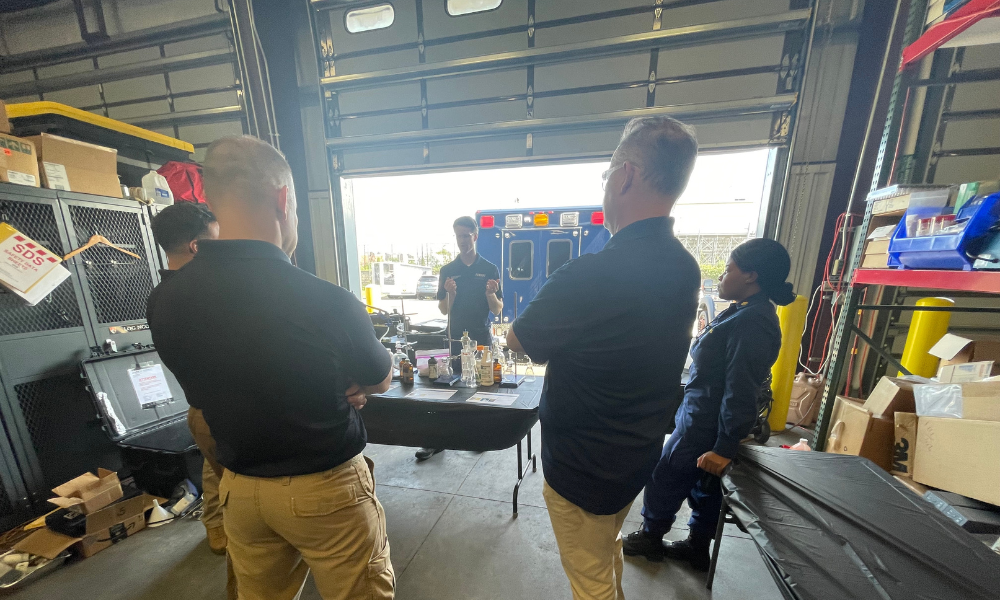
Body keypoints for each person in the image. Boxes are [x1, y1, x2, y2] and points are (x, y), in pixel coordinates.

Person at [147, 136, 394, 600]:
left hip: (240, 490)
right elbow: (380, 376)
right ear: (283, 200)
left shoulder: (166, 299)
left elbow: (203, 393)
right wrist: (345, 382)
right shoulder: (323, 298)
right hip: (326, 488)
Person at [506, 116, 701, 600]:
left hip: (583, 466)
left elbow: (518, 340)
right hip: (634, 456)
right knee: (606, 546)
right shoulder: (683, 265)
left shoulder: (591, 273)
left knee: (589, 582)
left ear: (624, 176)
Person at [623, 238, 794, 571]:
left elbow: (740, 388)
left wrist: (725, 446)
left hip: (706, 421)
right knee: (705, 483)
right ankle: (696, 546)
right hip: (702, 413)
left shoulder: (752, 321)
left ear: (751, 276)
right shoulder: (743, 309)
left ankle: (651, 536)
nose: (722, 276)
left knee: (665, 476)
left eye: (729, 269)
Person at [149, 203, 225, 553]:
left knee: (215, 475)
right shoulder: (209, 293)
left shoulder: (159, 296)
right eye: (216, 240)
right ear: (197, 246)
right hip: (232, 412)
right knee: (242, 487)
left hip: (199, 412)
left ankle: (219, 535)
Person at [414, 216, 502, 461]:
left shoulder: (489, 268)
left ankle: (478, 435)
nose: (462, 241)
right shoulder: (448, 271)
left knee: (481, 386)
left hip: (481, 336)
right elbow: (444, 310)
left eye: (466, 235)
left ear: (475, 236)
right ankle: (437, 440)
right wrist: (450, 294)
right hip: (454, 338)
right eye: (458, 236)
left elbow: (496, 309)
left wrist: (491, 293)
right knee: (446, 388)